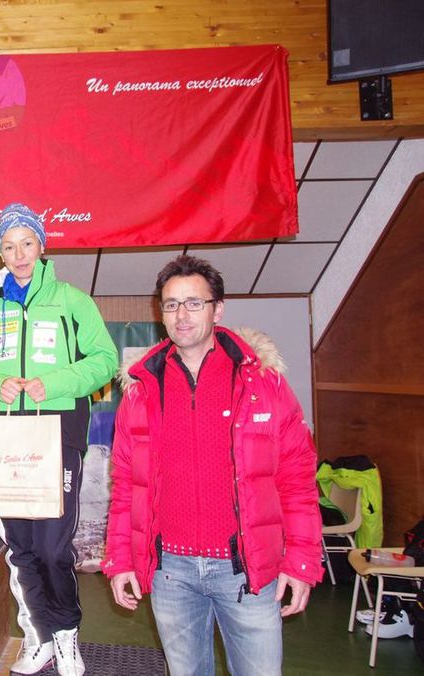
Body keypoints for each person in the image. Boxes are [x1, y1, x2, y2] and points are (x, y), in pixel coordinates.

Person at [102, 254, 323, 675]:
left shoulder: (263, 383)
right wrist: (121, 560)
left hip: (247, 572)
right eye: (170, 304)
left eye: (193, 303)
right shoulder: (141, 390)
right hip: (172, 574)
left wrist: (301, 560)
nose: (181, 315)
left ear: (218, 309)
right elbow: (127, 484)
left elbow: (296, 478)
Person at [0, 204, 118, 676]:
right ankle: (40, 638)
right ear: (0, 253)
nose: (18, 253)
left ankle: (67, 635)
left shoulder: (71, 300)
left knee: (52, 545)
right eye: (8, 246)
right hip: (6, 437)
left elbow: (105, 359)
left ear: (42, 246)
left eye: (27, 243)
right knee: (22, 547)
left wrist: (60, 382)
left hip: (58, 433)